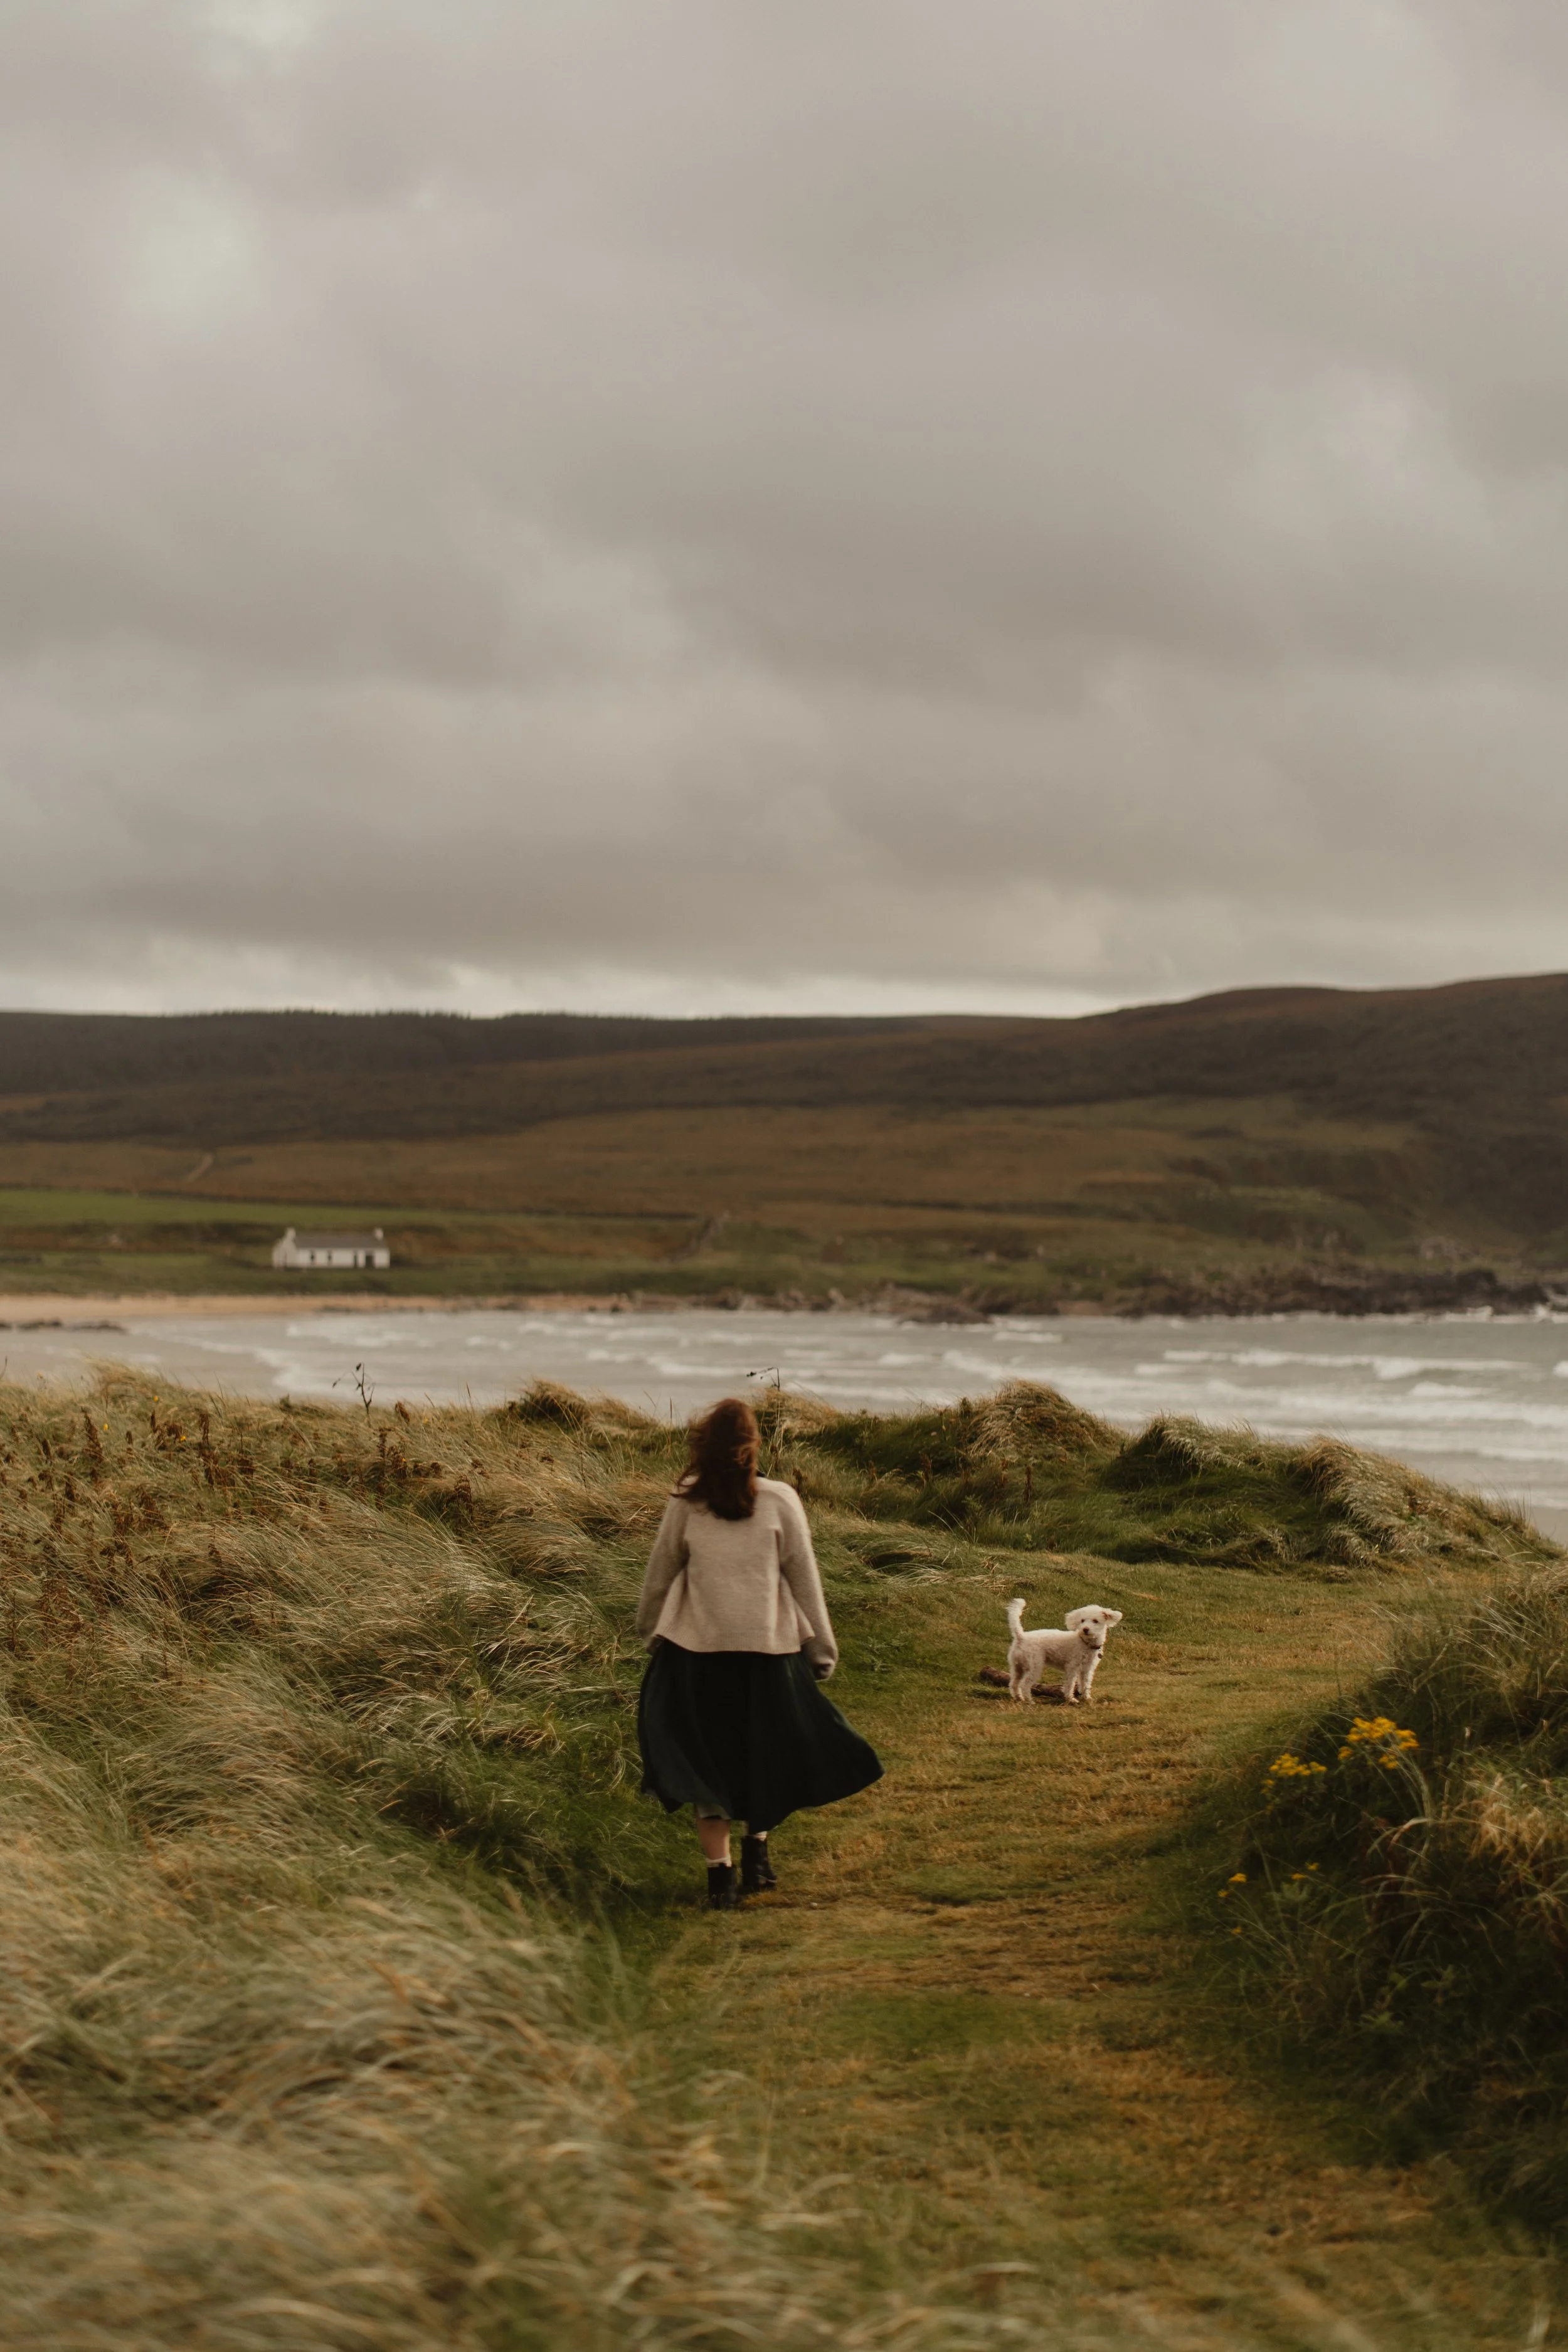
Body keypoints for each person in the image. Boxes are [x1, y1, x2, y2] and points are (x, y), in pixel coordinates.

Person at [636, 1396, 883, 1909]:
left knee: (708, 1764)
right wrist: (821, 1650)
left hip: (696, 1657)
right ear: (753, 1448)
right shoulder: (780, 1499)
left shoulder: (685, 1503)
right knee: (765, 1754)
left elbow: (659, 1577)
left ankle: (720, 1879)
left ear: (703, 1447)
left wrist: (650, 1633)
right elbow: (804, 1578)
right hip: (769, 1655)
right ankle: (758, 1856)